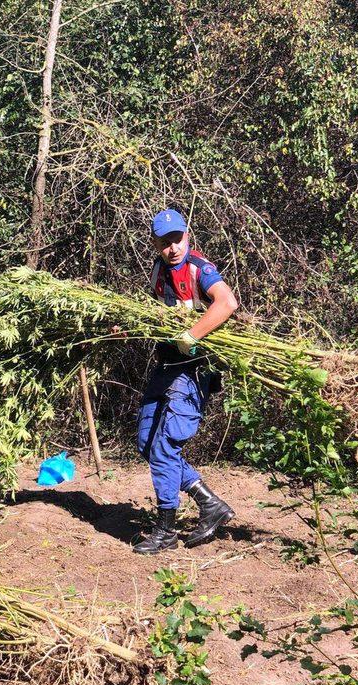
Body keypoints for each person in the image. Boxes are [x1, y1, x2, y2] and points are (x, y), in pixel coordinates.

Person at [134, 208, 239, 555]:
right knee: (147, 442)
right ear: (155, 244)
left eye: (177, 239)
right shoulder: (157, 272)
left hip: (195, 367)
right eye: (165, 243)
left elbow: (227, 302)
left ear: (187, 236)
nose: (173, 248)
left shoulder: (198, 267)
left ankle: (165, 530)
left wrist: (192, 335)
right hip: (167, 364)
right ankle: (209, 503)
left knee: (165, 445)